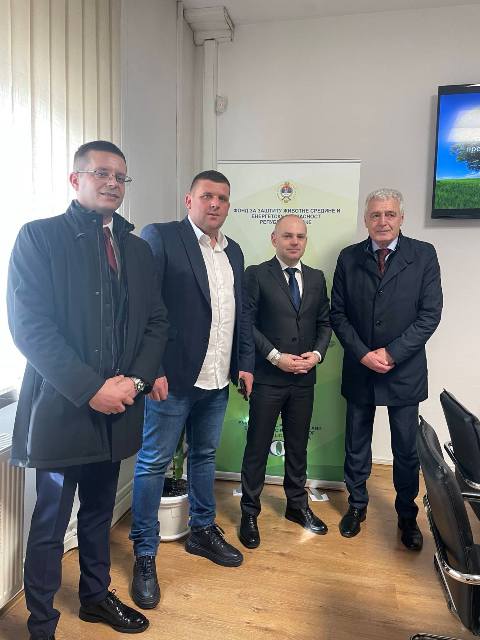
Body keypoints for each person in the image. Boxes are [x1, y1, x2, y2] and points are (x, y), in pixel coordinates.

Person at [7, 140, 169, 639]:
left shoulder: (137, 249)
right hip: (63, 409)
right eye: (101, 173)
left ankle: (95, 597)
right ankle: (41, 623)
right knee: (51, 523)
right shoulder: (39, 238)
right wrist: (92, 388)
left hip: (118, 408)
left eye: (120, 176)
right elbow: (30, 328)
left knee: (99, 514)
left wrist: (135, 383)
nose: (112, 183)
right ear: (75, 179)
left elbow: (156, 323)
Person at [129, 170, 255, 609]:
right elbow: (144, 307)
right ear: (189, 200)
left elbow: (238, 313)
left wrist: (244, 363)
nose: (215, 204)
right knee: (153, 463)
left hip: (216, 378)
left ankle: (201, 530)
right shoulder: (162, 237)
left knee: (204, 456)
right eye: (207, 196)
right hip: (173, 379)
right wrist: (153, 369)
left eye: (222, 197)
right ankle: (145, 552)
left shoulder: (233, 250)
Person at [330, 188, 442, 550]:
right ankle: (356, 505)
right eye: (375, 214)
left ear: (401, 218)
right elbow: (338, 314)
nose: (382, 221)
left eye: (390, 214)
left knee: (406, 449)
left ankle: (407, 515)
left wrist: (392, 354)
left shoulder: (423, 255)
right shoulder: (348, 257)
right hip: (360, 366)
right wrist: (363, 354)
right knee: (356, 443)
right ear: (366, 219)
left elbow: (430, 315)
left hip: (404, 370)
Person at [238, 214, 332, 549]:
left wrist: (317, 355)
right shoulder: (256, 274)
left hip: (304, 378)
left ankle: (297, 505)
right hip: (268, 378)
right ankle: (249, 512)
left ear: (306, 241)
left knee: (297, 446)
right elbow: (246, 323)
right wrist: (275, 356)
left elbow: (325, 323)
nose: (294, 241)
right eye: (288, 235)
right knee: (257, 447)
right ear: (274, 238)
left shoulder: (317, 278)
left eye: (300, 236)